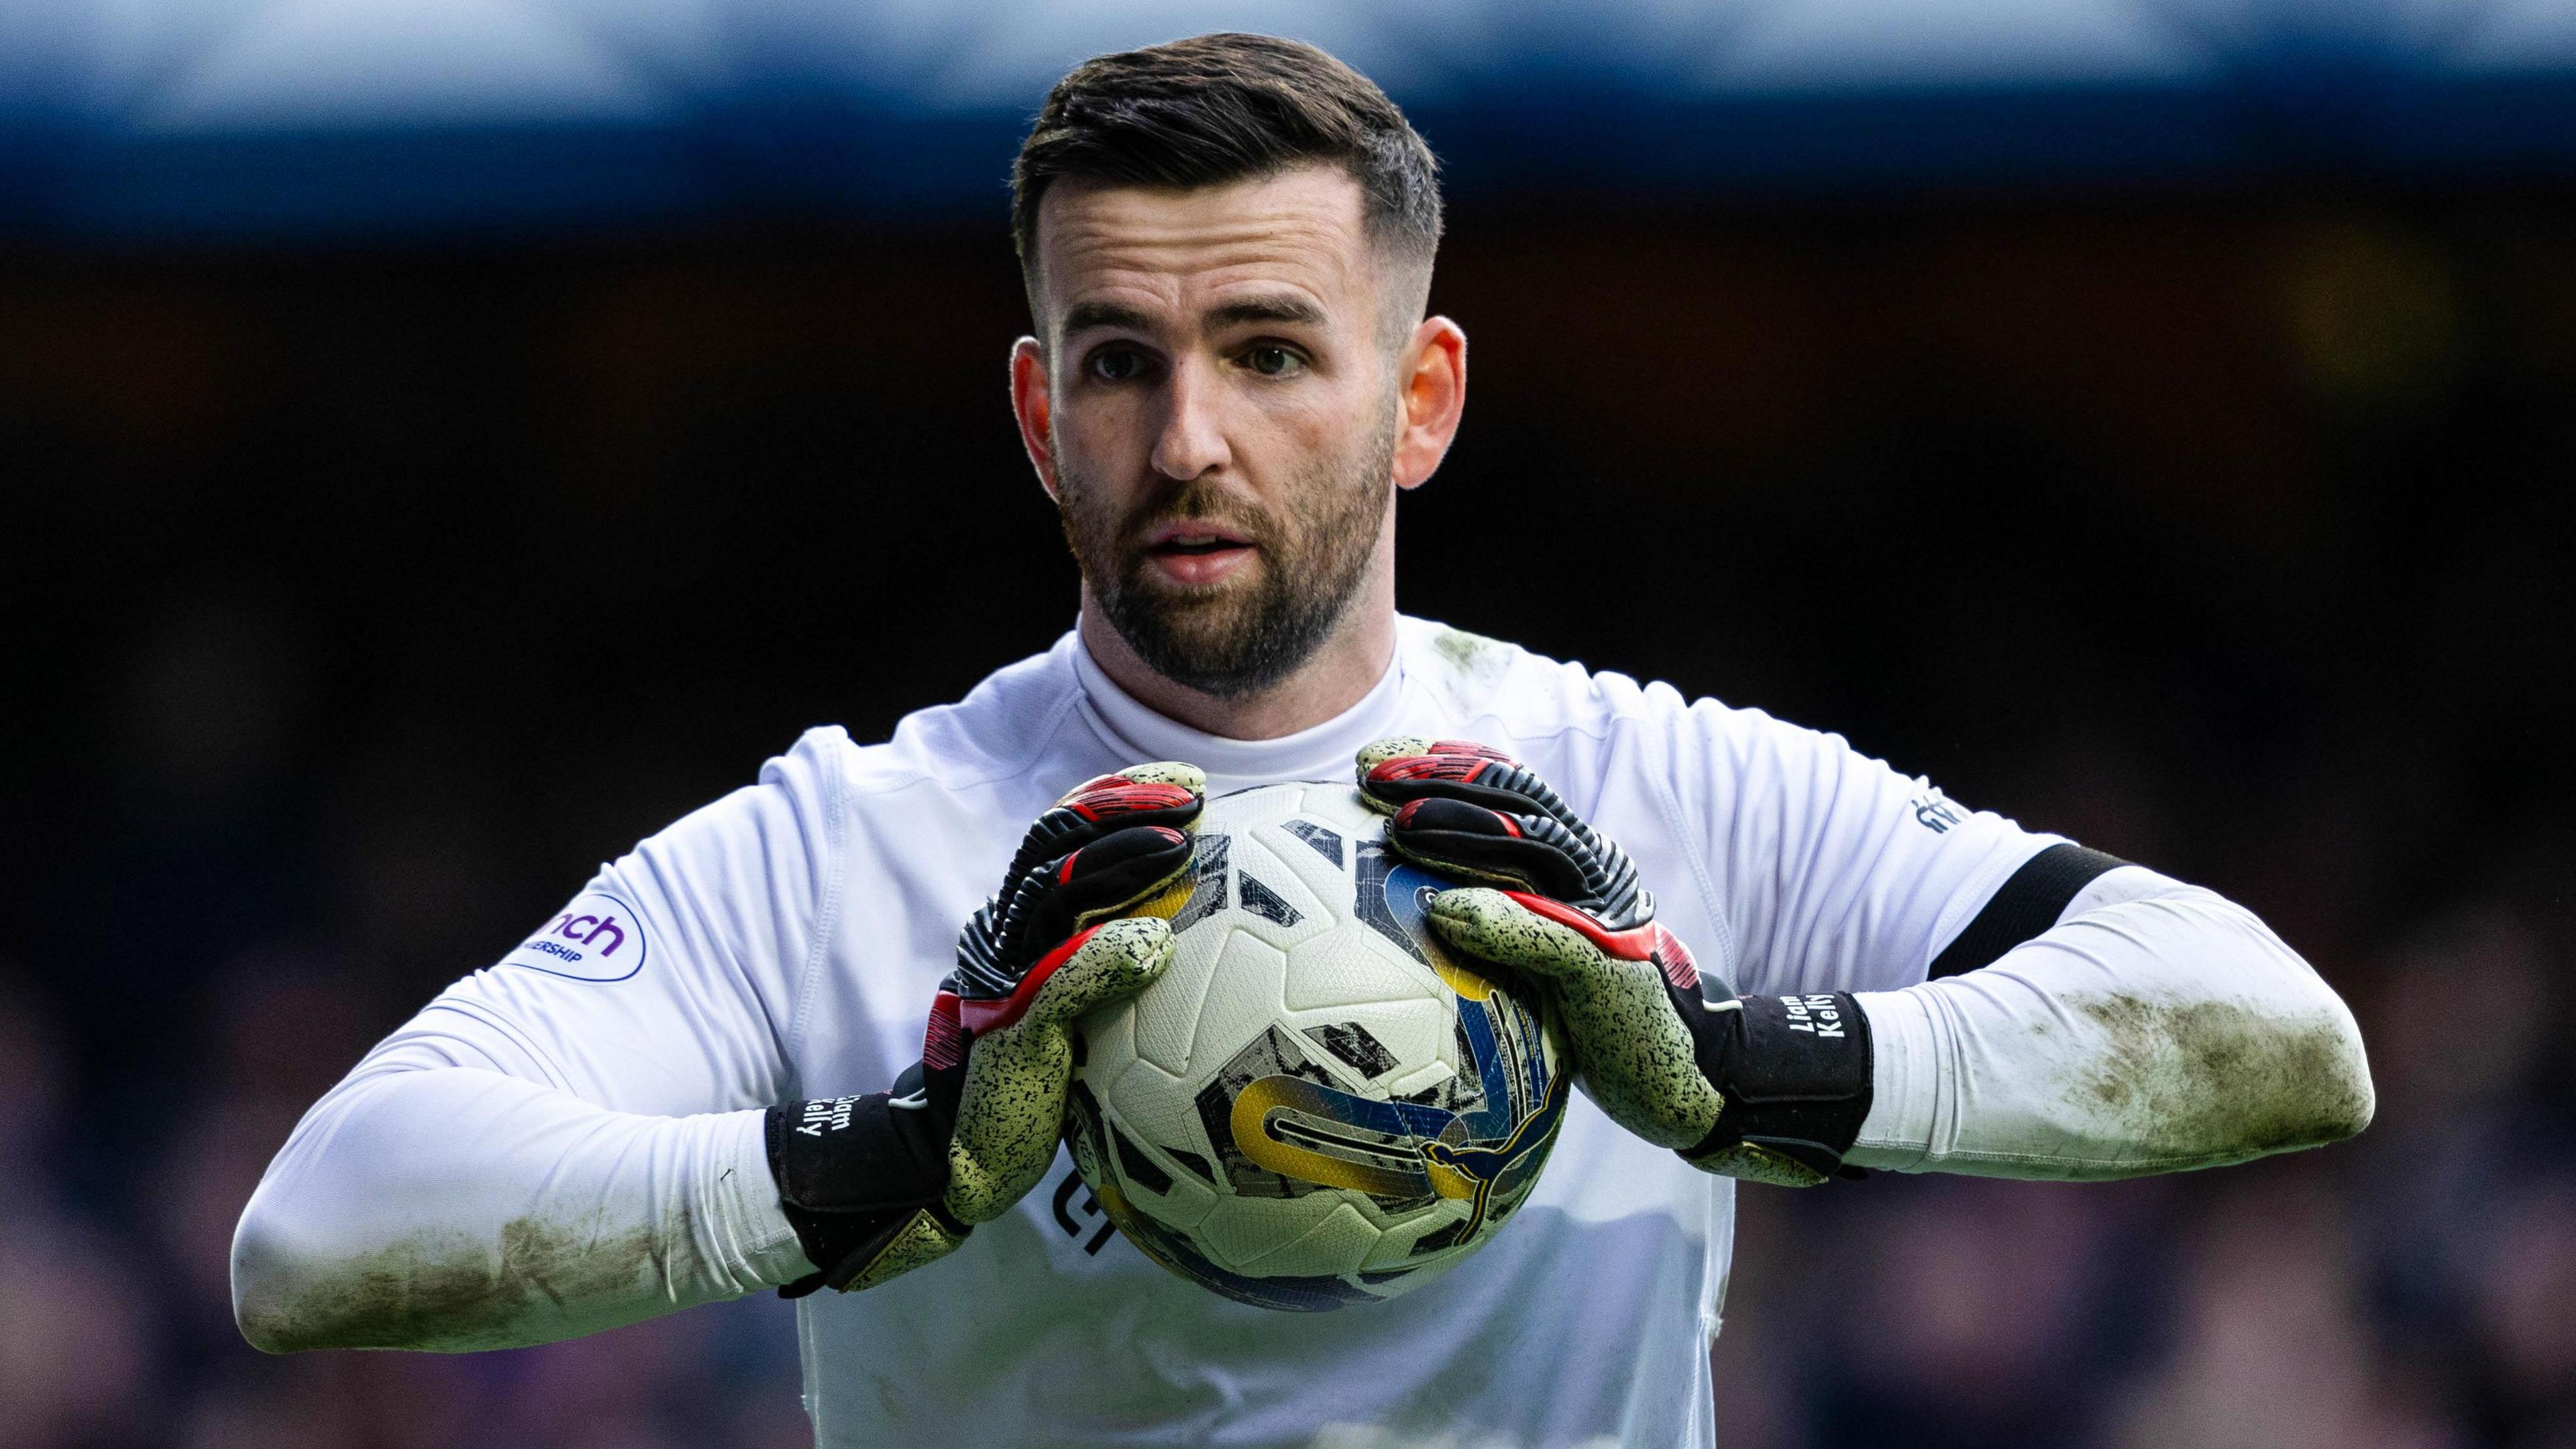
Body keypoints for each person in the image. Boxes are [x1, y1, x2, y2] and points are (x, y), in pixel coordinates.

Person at [230, 32, 2374, 1449]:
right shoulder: (849, 847)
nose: (1190, 441)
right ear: (1032, 411)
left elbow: (2275, 1032)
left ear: (1423, 396)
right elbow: (318, 1239)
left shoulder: (1647, 789)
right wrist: (885, 1168)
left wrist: (1738, 1069)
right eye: (1117, 363)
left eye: (1272, 353)